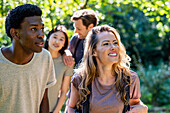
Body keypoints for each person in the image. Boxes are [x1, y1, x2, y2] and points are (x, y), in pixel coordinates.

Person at [68, 25, 148, 113]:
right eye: (106, 44)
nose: (113, 47)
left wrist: (142, 108)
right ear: (94, 51)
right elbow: (71, 107)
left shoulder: (130, 78)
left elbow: (135, 104)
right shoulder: (80, 79)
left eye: (115, 43)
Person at [0, 4, 56, 113]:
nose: (41, 35)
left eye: (42, 28)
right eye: (34, 29)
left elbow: (43, 99)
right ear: (15, 33)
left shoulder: (45, 58)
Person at [44, 25, 73, 113]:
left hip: (51, 109)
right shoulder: (37, 57)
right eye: (55, 37)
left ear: (64, 44)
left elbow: (64, 92)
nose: (57, 41)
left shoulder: (67, 63)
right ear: (48, 38)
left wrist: (56, 111)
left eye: (61, 39)